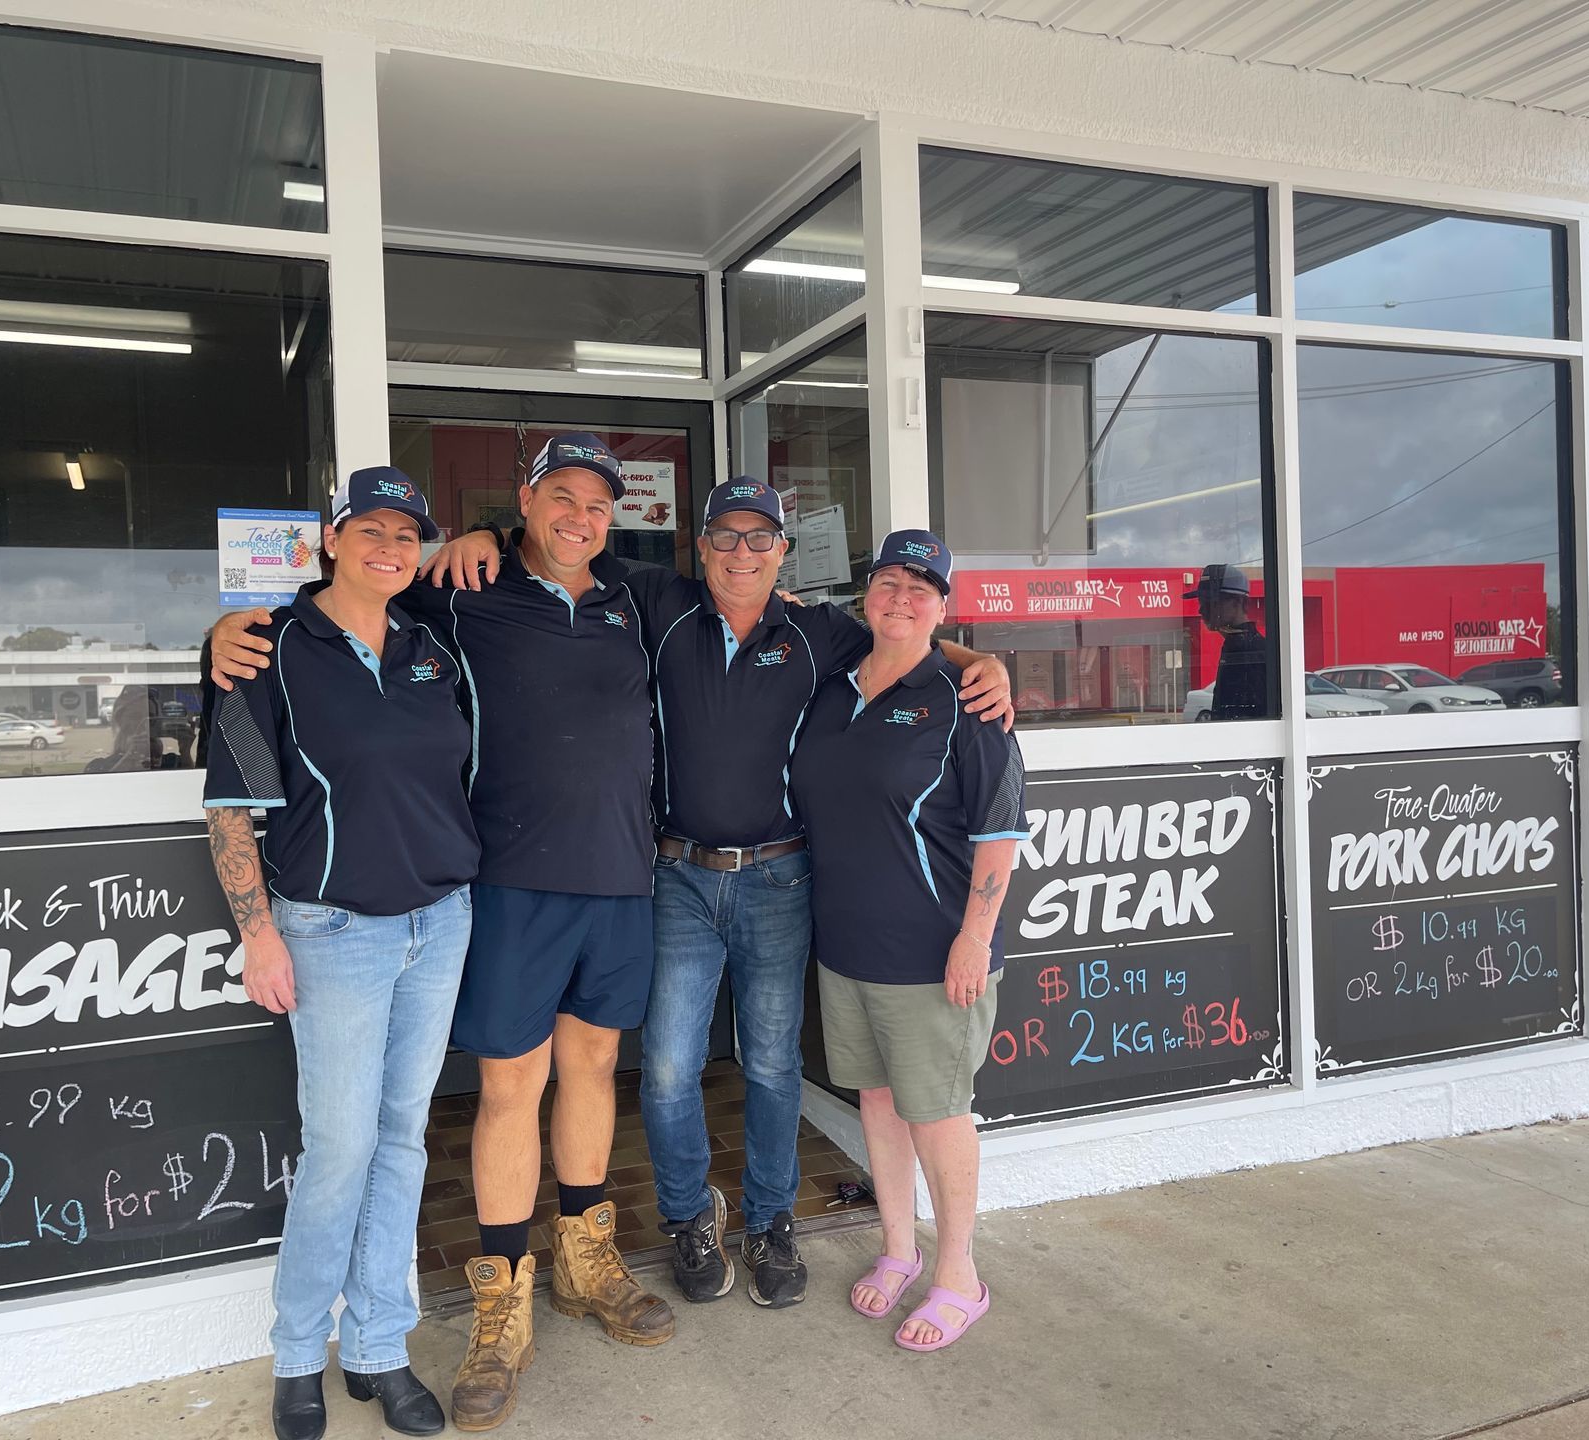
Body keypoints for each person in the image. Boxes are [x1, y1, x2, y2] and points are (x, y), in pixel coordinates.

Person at [431, 477, 1012, 1312]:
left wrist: (978, 659)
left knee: (773, 1063)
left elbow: (906, 634)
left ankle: (771, 1221)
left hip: (779, 877)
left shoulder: (819, 631)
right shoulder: (654, 599)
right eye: (726, 537)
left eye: (760, 539)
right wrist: (484, 528)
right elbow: (560, 545)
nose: (742, 553)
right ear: (698, 546)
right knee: (668, 1067)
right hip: (673, 873)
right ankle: (687, 1219)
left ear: (782, 552)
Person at [211, 434, 672, 1434]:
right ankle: (495, 1300)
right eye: (561, 497)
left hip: (611, 882)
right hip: (498, 890)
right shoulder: (453, 594)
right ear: (526, 500)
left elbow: (773, 606)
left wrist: (950, 645)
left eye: (597, 503)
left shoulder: (639, 596)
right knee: (480, 1097)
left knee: (580, 1075)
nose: (579, 517)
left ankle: (580, 1263)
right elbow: (329, 616)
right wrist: (220, 632)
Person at [202, 467, 476, 1440]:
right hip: (330, 933)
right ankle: (294, 1356)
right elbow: (232, 804)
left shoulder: (431, 648)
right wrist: (258, 932)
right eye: (371, 528)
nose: (390, 547)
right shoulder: (267, 648)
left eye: (408, 533)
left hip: (439, 923)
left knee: (403, 1139)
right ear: (331, 538)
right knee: (341, 1149)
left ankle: (378, 1347)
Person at [788, 529, 1027, 1354]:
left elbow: (1001, 834)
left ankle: (959, 1273)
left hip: (932, 953)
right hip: (846, 945)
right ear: (867, 595)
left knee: (938, 1112)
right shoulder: (833, 683)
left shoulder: (968, 698)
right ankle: (899, 1246)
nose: (900, 597)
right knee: (881, 1105)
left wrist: (975, 938)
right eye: (888, 581)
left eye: (920, 587)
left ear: (943, 606)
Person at [1190, 562, 1269, 720]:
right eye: (1201, 602)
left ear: (1239, 602)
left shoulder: (1252, 650)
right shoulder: (1235, 645)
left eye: (1211, 602)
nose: (1201, 610)